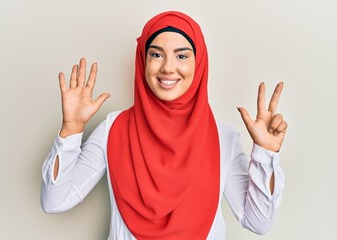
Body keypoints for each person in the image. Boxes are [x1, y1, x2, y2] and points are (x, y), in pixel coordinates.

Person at [41, 11, 287, 240]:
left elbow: (258, 222)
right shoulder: (113, 128)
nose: (168, 67)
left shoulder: (223, 136)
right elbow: (54, 201)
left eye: (181, 56)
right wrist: (71, 129)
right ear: (143, 61)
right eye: (156, 54)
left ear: (199, 63)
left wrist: (265, 154)